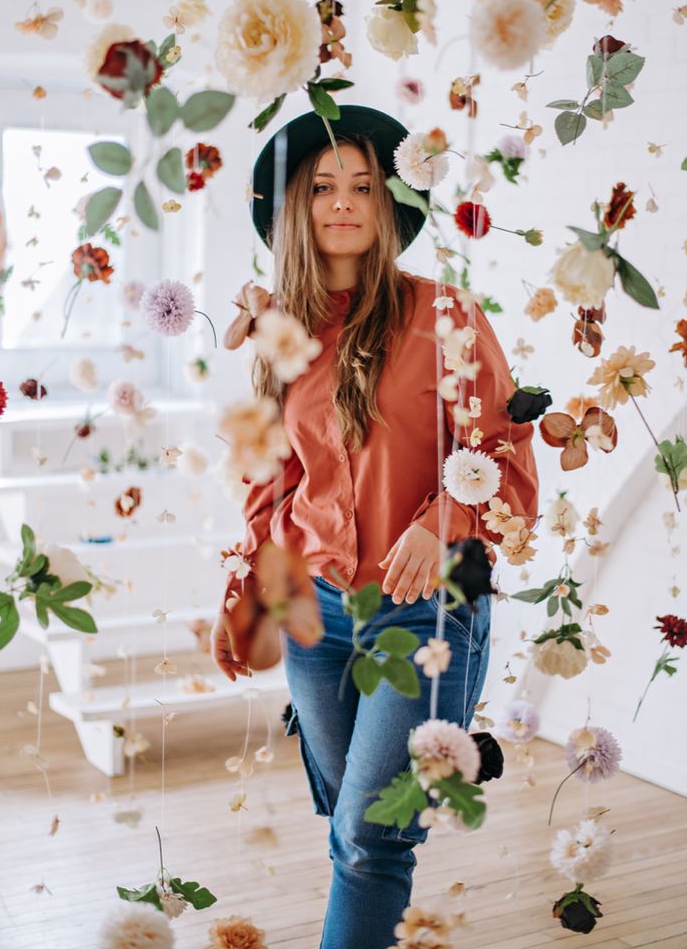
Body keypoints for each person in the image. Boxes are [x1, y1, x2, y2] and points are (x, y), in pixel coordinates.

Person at [211, 105, 539, 949]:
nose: (344, 202)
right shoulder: (281, 336)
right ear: (296, 206)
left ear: (391, 200)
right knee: (348, 818)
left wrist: (444, 521)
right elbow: (272, 482)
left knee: (370, 835)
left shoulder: (448, 316)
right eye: (323, 186)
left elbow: (501, 449)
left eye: (363, 184)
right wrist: (244, 588)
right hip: (315, 615)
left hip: (428, 611)